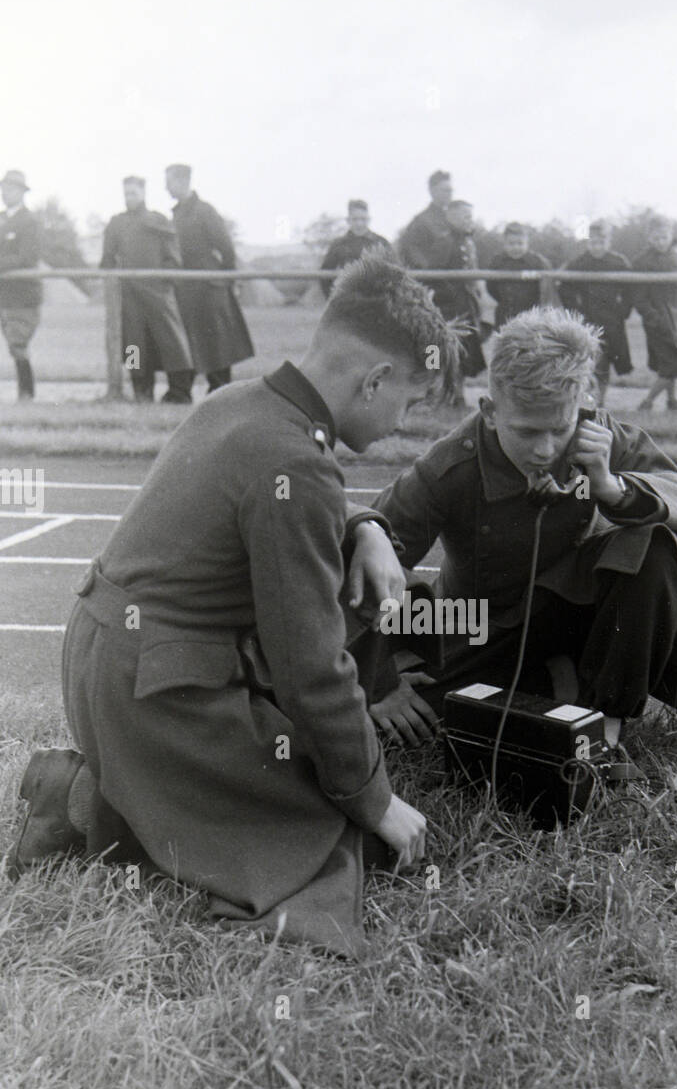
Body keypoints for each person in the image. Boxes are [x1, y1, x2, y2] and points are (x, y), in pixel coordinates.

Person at [6, 255, 461, 960]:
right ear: (373, 379)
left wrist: (363, 526)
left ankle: (115, 788)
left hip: (106, 660)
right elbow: (311, 669)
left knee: (296, 796)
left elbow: (267, 504)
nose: (404, 421)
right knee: (329, 843)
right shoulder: (296, 461)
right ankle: (80, 798)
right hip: (155, 691)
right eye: (409, 399)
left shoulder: (242, 402)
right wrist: (375, 801)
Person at [369, 308, 677, 759]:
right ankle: (556, 681)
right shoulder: (446, 467)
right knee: (409, 724)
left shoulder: (601, 435)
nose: (546, 449)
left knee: (655, 542)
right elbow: (365, 558)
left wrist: (613, 488)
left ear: (583, 405)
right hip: (477, 624)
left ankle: (605, 724)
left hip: (575, 614)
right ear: (490, 412)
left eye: (560, 428)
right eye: (527, 431)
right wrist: (382, 675)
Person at [100, 176, 194, 403]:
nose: (129, 198)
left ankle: (180, 392)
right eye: (126, 194)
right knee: (134, 346)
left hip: (158, 294)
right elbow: (107, 259)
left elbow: (174, 259)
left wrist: (161, 282)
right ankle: (141, 391)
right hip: (130, 296)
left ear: (143, 193)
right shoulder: (117, 223)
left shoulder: (158, 221)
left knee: (172, 343)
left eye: (133, 193)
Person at [165, 163, 254, 394]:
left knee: (216, 342)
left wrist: (223, 280)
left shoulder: (205, 211)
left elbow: (226, 249)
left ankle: (220, 390)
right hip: (187, 289)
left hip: (209, 288)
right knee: (188, 340)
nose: (166, 187)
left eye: (169, 182)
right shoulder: (176, 214)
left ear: (182, 182)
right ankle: (181, 391)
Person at [558, 220, 633, 404]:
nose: (597, 247)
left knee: (606, 359)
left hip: (612, 319)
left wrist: (623, 309)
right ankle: (585, 398)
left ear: (609, 242)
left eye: (601, 242)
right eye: (593, 243)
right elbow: (564, 287)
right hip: (588, 316)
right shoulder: (579, 263)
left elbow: (631, 288)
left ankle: (601, 399)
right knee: (589, 358)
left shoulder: (619, 262)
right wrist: (575, 311)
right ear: (587, 242)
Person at [428, 199, 489, 400]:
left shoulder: (468, 241)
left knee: (463, 349)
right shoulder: (445, 240)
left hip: (465, 303)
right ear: (451, 217)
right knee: (437, 349)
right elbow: (434, 273)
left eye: (470, 216)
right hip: (447, 305)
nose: (470, 220)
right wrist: (448, 295)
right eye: (465, 216)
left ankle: (457, 395)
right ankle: (435, 396)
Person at [633, 219, 677, 412]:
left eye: (664, 237)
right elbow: (638, 296)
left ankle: (672, 401)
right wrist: (652, 316)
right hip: (659, 318)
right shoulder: (643, 261)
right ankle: (647, 402)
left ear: (671, 236)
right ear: (649, 238)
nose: (660, 242)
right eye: (656, 238)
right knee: (671, 364)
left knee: (675, 359)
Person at [0, 170, 42, 401]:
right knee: (12, 345)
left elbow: (26, 258)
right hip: (4, 294)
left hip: (22, 295)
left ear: (22, 192)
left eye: (11, 189)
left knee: (18, 344)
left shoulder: (30, 221)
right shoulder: (2, 218)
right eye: (3, 188)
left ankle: (26, 395)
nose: (5, 193)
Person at [319, 200, 393, 298]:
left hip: (375, 301)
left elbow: (395, 272)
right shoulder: (338, 244)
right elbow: (325, 275)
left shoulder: (381, 243)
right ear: (348, 220)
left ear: (369, 219)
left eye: (363, 219)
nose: (359, 224)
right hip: (347, 301)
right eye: (355, 219)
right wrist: (334, 300)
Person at [486, 223, 552, 328]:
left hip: (531, 314)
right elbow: (491, 287)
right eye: (511, 244)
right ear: (504, 244)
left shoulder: (537, 262)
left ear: (527, 243)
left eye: (520, 243)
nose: (516, 247)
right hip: (505, 313)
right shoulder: (497, 262)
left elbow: (547, 288)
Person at [398, 169, 454, 269]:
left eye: (451, 190)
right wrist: (430, 271)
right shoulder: (421, 221)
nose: (449, 194)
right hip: (436, 281)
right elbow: (410, 249)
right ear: (432, 191)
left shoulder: (454, 219)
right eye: (445, 190)